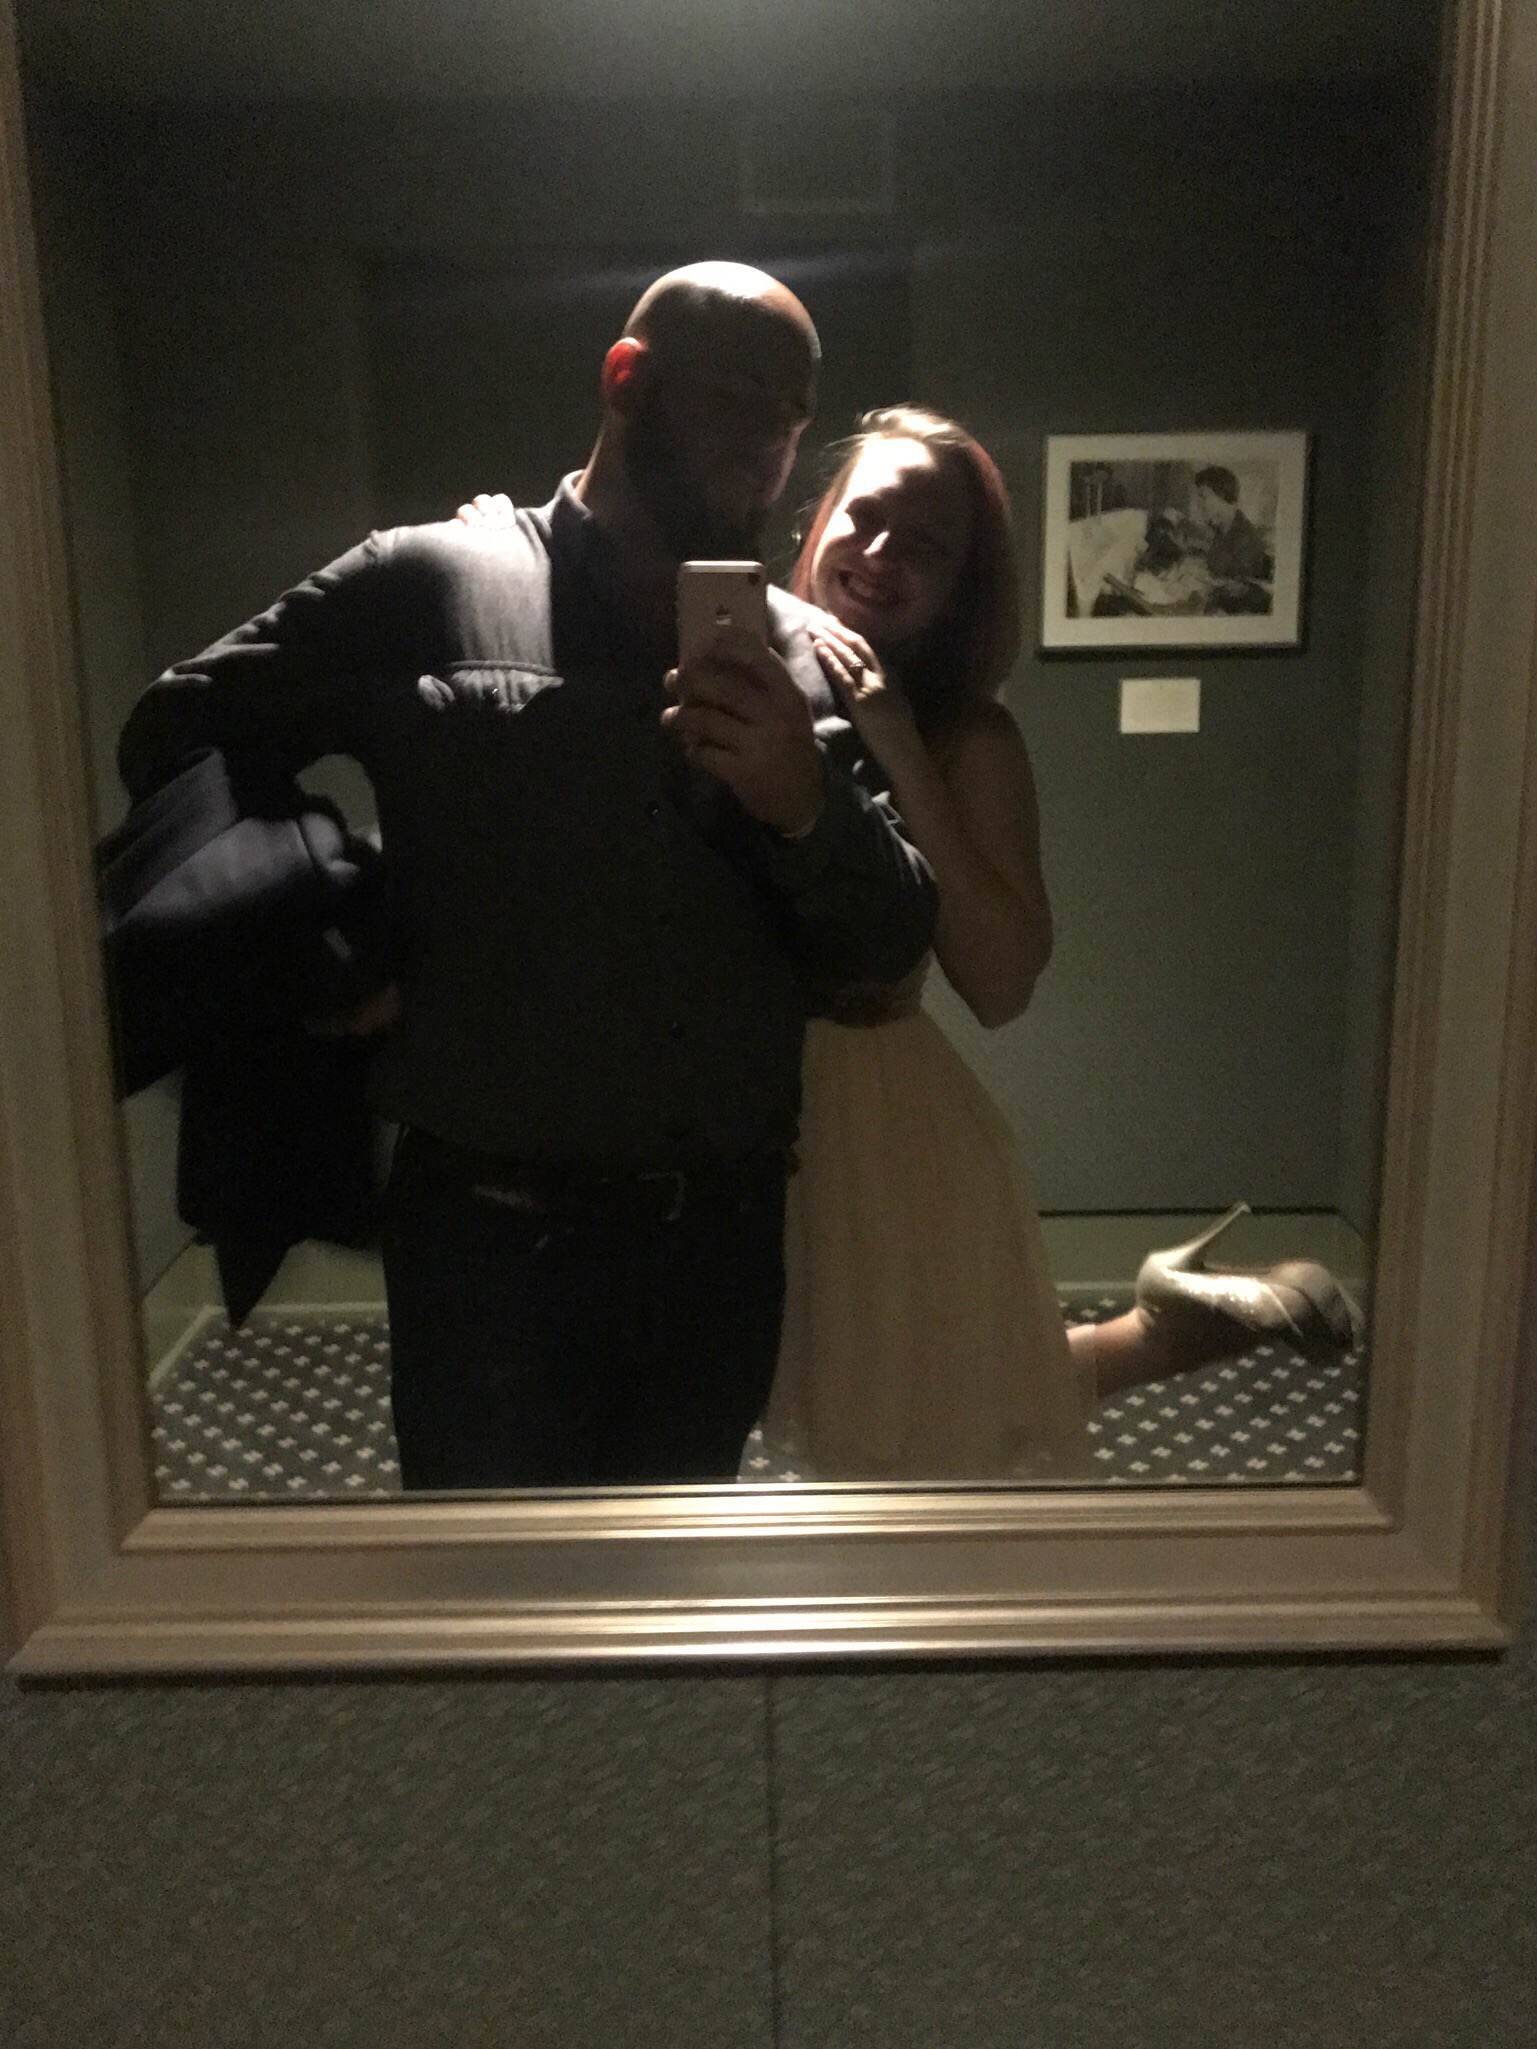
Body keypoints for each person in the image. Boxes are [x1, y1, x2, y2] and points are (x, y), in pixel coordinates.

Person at [115, 263, 938, 1492]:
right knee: (487, 1589)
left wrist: (804, 802)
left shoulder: (801, 660)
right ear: (627, 379)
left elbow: (888, 946)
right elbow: (175, 736)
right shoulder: (428, 582)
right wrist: (328, 930)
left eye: (792, 409)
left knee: (674, 1584)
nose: (769, 437)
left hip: (721, 1249)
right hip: (489, 1252)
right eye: (738, 393)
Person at [753, 408, 1354, 1477]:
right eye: (865, 516)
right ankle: (1164, 1327)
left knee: (902, 1428)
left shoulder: (968, 736)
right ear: (818, 521)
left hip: (858, 1117)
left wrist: (896, 740)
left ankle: (1161, 1332)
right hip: (713, 1107)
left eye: (925, 544)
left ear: (960, 588)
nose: (881, 553)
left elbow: (999, 985)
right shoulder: (738, 668)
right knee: (887, 1391)